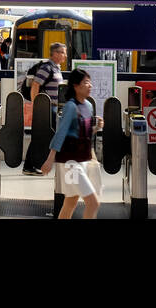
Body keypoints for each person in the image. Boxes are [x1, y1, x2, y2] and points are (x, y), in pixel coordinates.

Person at [40, 68, 101, 219]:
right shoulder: (70, 106)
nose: (90, 86)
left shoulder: (88, 106)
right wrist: (50, 159)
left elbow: (83, 133)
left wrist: (97, 128)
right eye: (86, 82)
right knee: (93, 203)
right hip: (71, 163)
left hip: (83, 160)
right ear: (75, 86)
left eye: (90, 82)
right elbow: (61, 133)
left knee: (70, 202)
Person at [23, 43, 68, 175]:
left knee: (43, 136)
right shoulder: (47, 68)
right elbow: (36, 85)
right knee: (43, 136)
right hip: (47, 109)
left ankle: (32, 165)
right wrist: (37, 105)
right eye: (63, 52)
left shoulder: (56, 68)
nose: (65, 55)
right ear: (55, 53)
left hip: (54, 109)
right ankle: (31, 165)